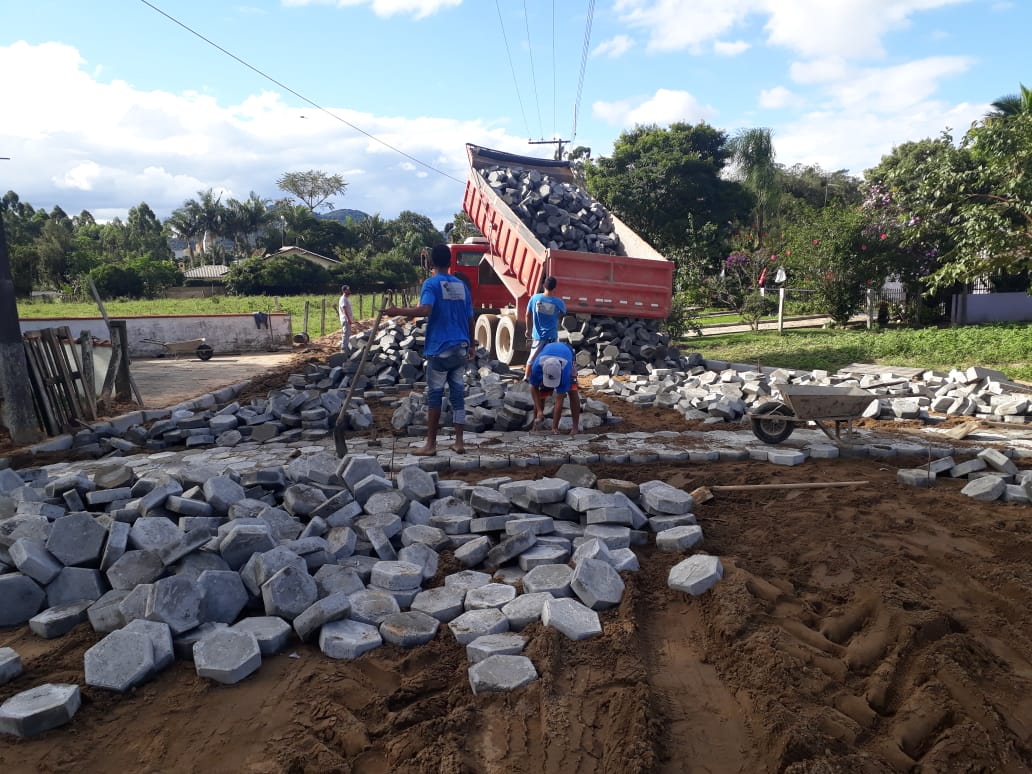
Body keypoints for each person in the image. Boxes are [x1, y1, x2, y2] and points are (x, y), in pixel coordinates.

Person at [383, 244, 475, 456]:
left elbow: (425, 310)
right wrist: (472, 344)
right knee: (458, 395)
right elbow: (470, 318)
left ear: (431, 263)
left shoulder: (431, 284)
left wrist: (397, 311)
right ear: (450, 262)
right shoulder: (461, 286)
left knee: (435, 395)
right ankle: (459, 442)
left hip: (440, 349)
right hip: (460, 347)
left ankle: (431, 444)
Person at [527, 341, 580, 435]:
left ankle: (575, 428)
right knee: (542, 391)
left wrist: (554, 427)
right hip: (549, 350)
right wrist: (539, 410)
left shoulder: (566, 371)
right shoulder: (537, 367)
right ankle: (535, 426)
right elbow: (533, 388)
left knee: (573, 390)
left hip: (567, 351)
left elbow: (559, 399)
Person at [524, 276, 566, 380]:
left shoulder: (535, 298)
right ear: (555, 288)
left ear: (544, 286)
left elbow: (527, 315)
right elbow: (563, 313)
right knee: (551, 359)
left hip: (538, 336)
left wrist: (528, 329)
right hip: (552, 336)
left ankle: (526, 377)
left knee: (532, 358)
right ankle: (549, 379)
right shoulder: (558, 302)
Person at [337, 285, 354, 353]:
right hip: (345, 319)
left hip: (347, 319)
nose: (349, 291)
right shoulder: (343, 299)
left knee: (347, 333)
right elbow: (344, 310)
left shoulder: (346, 298)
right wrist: (348, 319)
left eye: (349, 289)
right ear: (344, 291)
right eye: (348, 290)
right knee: (346, 334)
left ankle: (345, 347)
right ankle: (344, 349)